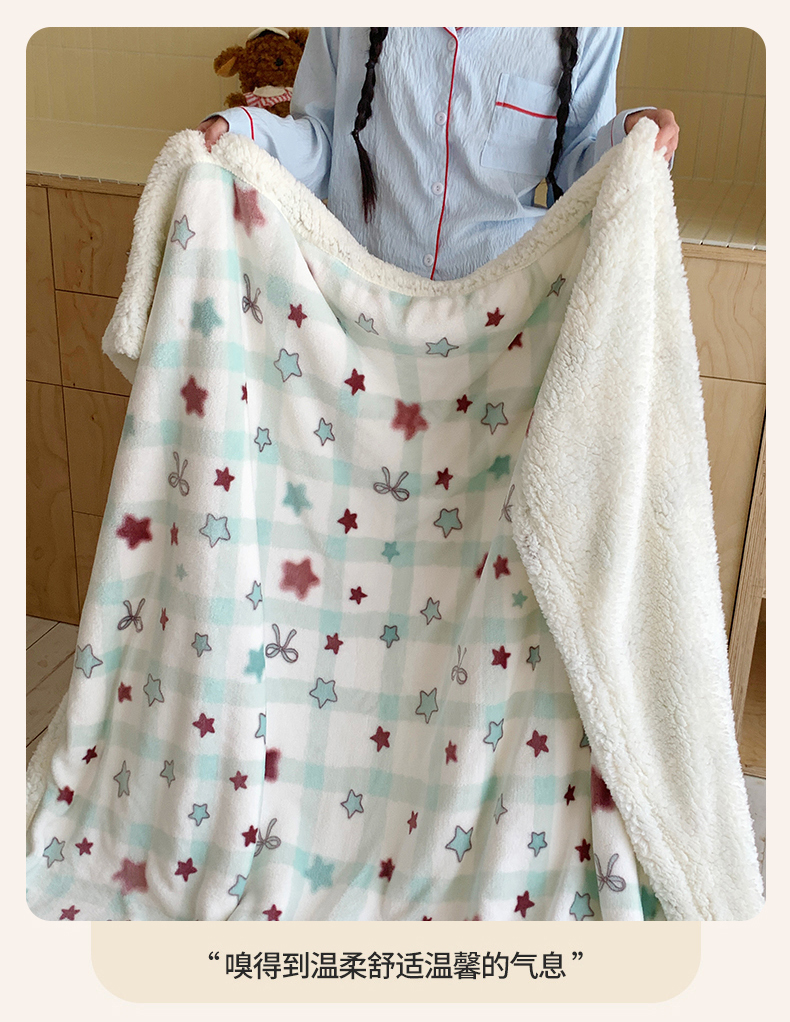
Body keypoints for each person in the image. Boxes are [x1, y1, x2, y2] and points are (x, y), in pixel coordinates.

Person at [197, 27, 679, 282]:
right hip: (360, 304)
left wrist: (634, 140)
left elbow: (579, 172)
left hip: (505, 322)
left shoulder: (590, 22)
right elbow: (324, 142)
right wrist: (242, 134)